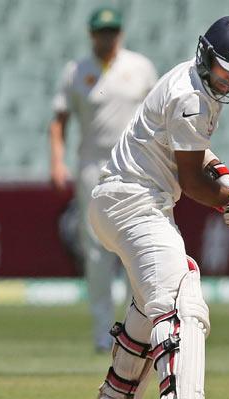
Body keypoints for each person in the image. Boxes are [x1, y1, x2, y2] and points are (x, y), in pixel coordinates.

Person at [87, 16, 229, 399]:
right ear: (207, 57)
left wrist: (225, 175)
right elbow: (191, 183)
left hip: (119, 201)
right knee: (181, 292)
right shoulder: (193, 98)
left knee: (154, 297)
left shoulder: (191, 81)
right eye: (225, 71)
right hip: (136, 203)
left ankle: (115, 398)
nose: (228, 82)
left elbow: (192, 152)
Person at [50, 7, 158, 352]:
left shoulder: (139, 67)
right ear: (91, 34)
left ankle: (134, 330)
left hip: (135, 164)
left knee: (134, 244)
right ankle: (102, 331)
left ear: (120, 33)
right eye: (101, 32)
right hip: (91, 165)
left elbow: (159, 117)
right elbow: (59, 120)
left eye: (112, 31)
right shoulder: (76, 71)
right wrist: (57, 161)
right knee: (96, 249)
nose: (107, 38)